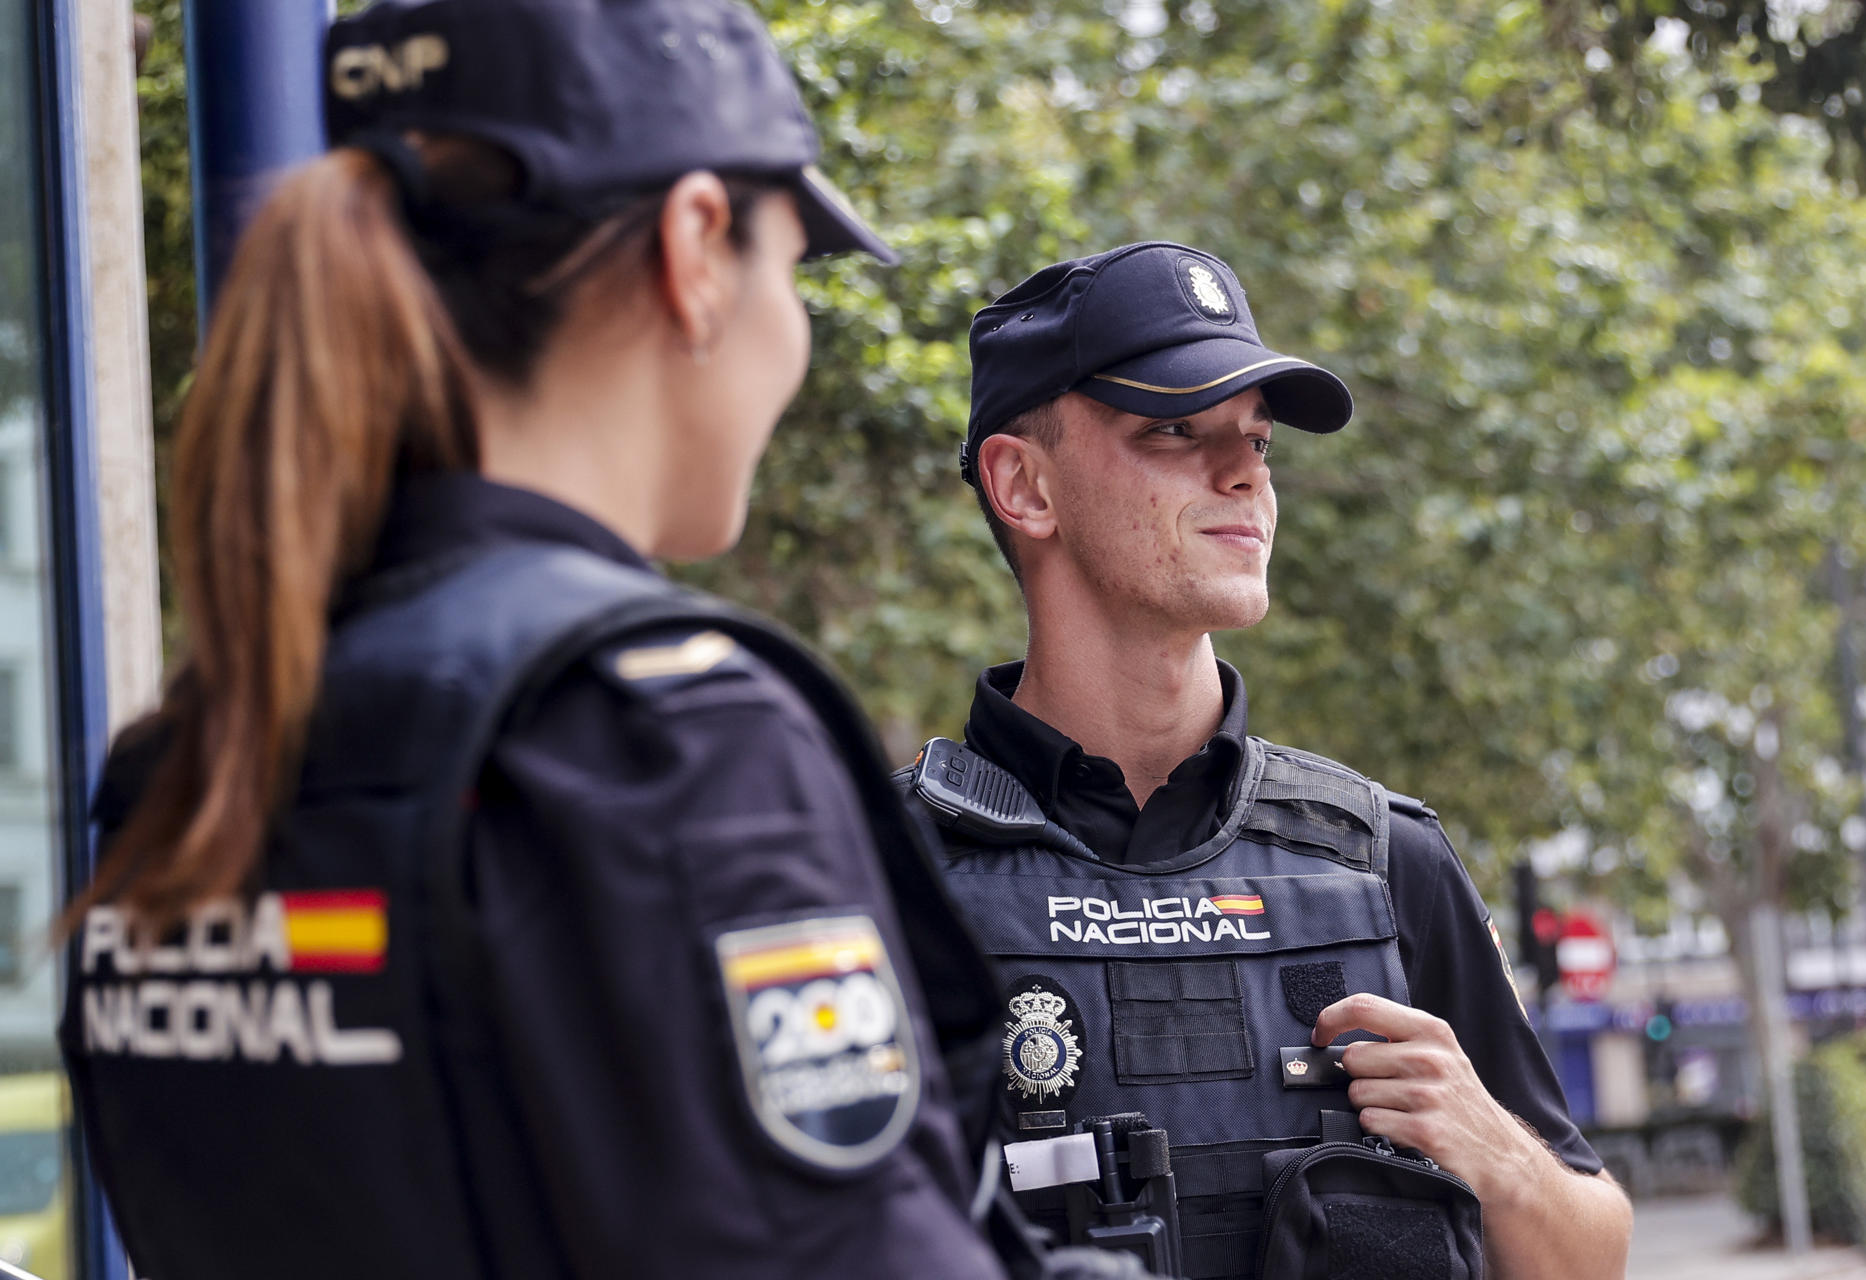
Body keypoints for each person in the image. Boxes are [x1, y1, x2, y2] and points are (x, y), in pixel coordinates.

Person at [54, 4, 1140, 1278]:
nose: (789, 332)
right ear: (693, 249)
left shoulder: (193, 747)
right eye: (792, 267)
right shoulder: (657, 738)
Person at [898, 242, 1634, 1280]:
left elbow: (1591, 1251)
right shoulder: (882, 872)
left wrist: (1495, 1148)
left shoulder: (1386, 862)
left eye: (1257, 440)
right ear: (1024, 483)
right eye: (1174, 430)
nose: (1243, 470)